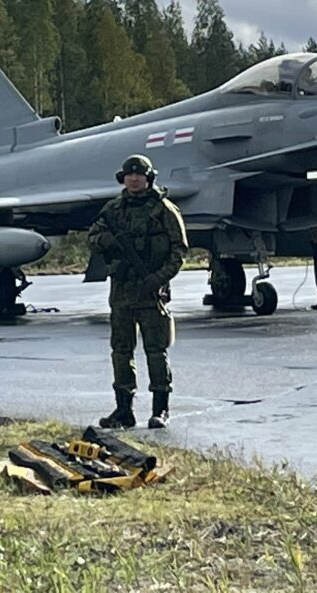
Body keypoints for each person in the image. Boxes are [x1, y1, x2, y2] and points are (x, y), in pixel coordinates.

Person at [87, 154, 188, 430]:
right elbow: (92, 237)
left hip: (151, 292)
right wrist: (106, 240)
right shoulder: (113, 210)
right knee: (121, 351)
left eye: (139, 175)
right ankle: (123, 410)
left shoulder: (164, 210)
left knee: (156, 351)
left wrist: (158, 278)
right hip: (121, 292)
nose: (134, 179)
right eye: (129, 175)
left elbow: (179, 251)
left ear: (148, 178)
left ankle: (160, 409)